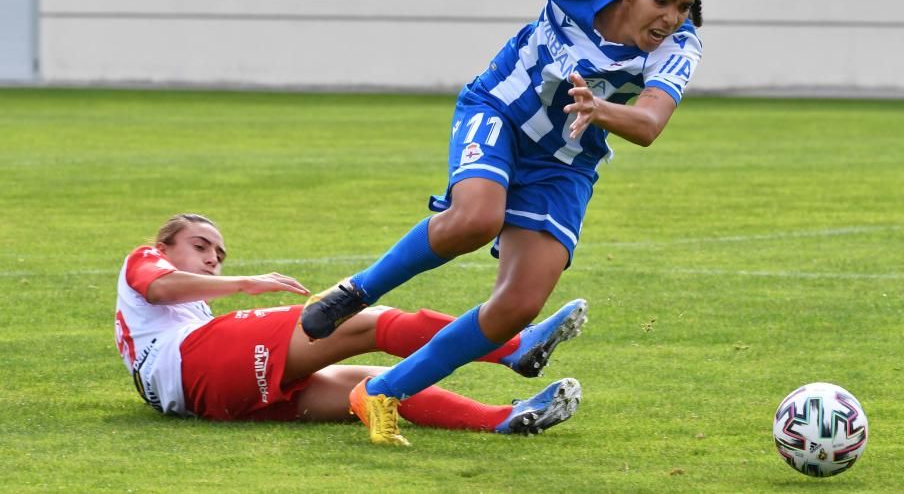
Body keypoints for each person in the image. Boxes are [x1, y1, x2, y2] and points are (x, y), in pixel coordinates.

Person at [300, 0, 705, 445]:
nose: (671, 18)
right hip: (501, 111)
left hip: (564, 161)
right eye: (662, 1)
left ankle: (379, 393)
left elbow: (649, 124)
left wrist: (598, 109)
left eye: (683, 7)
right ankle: (355, 292)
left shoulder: (679, 46)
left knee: (517, 306)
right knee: (475, 218)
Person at [114, 213, 586, 446]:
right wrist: (246, 283)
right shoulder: (144, 258)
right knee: (365, 322)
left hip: (202, 399)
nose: (213, 258)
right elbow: (159, 288)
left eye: (220, 254)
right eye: (201, 246)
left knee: (374, 389)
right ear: (163, 245)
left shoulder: (189, 312)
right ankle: (516, 347)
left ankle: (504, 420)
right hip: (194, 364)